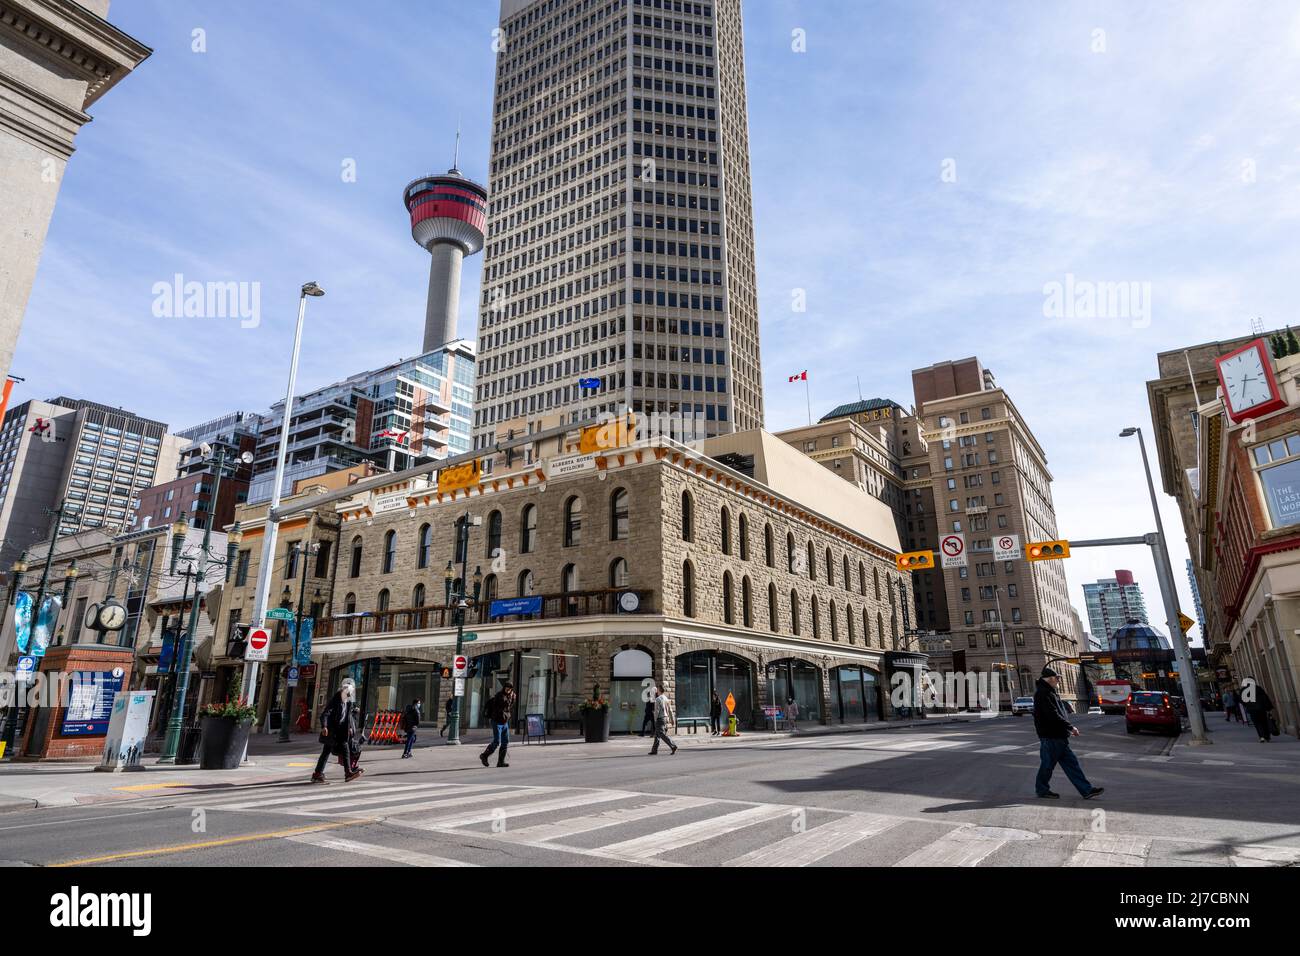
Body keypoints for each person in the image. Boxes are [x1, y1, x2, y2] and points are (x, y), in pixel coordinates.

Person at [1033, 667, 1102, 800]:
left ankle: (1086, 790)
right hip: (1051, 736)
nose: (1059, 680)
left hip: (1058, 736)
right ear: (1050, 679)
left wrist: (1066, 729)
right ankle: (1041, 789)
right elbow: (1052, 715)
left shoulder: (1049, 692)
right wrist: (1070, 727)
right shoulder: (1043, 693)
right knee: (1047, 765)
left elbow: (1057, 713)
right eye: (1057, 678)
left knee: (1072, 764)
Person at [313, 679, 364, 783]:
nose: (349, 695)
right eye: (348, 693)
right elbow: (326, 713)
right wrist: (324, 726)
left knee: (345, 750)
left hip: (341, 731)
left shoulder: (348, 702)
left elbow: (347, 716)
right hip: (332, 730)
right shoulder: (336, 699)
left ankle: (348, 773)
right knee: (326, 752)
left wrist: (349, 727)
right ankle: (317, 774)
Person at [480, 682, 515, 768]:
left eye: (510, 688)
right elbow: (504, 704)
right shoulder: (500, 696)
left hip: (504, 722)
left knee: (505, 742)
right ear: (504, 688)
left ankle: (500, 762)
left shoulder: (510, 696)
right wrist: (511, 697)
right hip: (497, 721)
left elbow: (509, 707)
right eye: (507, 688)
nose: (508, 690)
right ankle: (484, 755)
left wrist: (512, 697)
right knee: (496, 741)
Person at [1242, 678, 1276, 742]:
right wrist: (1268, 707)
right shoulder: (1258, 688)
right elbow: (1265, 697)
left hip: (1252, 710)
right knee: (1264, 722)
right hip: (1261, 708)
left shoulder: (1244, 690)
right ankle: (1267, 736)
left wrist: (1247, 705)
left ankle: (1261, 736)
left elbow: (1242, 700)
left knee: (1257, 723)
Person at [648, 685, 677, 755]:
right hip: (665, 718)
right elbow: (670, 710)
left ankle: (673, 745)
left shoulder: (658, 699)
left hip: (660, 719)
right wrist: (672, 720)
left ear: (660, 690)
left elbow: (657, 711)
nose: (656, 691)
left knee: (661, 734)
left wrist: (655, 719)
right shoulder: (666, 699)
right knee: (657, 734)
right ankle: (654, 750)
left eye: (657, 690)